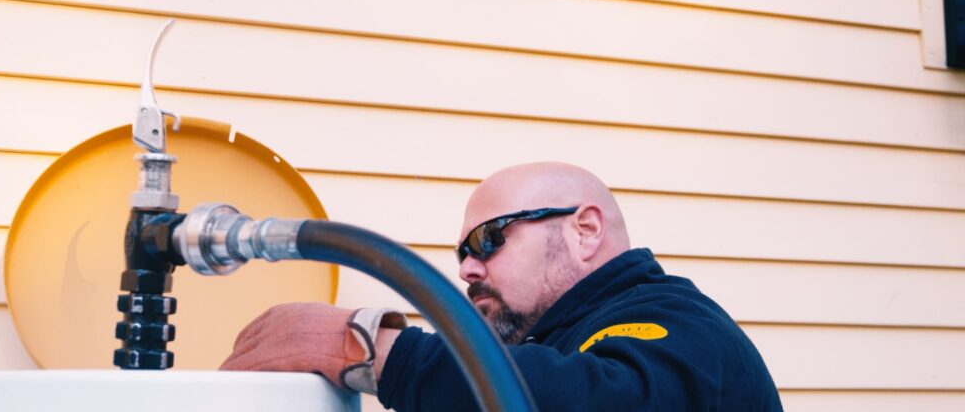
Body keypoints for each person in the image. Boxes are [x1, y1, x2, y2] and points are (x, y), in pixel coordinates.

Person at [221, 162, 784, 411]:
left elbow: (597, 400)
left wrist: (371, 349)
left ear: (585, 230)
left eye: (490, 239)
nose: (467, 268)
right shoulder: (556, 341)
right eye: (462, 253)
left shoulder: (682, 326)